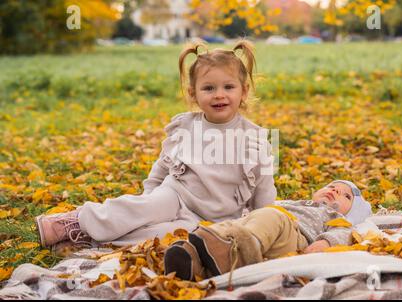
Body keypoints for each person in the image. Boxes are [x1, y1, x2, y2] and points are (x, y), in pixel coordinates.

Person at [34, 39, 277, 249]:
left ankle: (91, 240)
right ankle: (79, 221)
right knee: (147, 208)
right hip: (175, 195)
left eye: (228, 87)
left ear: (243, 91)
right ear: (193, 94)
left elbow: (264, 189)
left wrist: (262, 225)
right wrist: (149, 198)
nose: (219, 95)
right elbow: (163, 165)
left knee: (173, 238)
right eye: (209, 88)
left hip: (213, 218)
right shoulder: (186, 126)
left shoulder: (253, 139)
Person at [164, 180, 372, 282]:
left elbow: (344, 234)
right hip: (261, 233)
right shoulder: (290, 203)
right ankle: (194, 262)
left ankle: (243, 248)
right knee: (228, 226)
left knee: (272, 215)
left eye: (346, 196)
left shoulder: (336, 218)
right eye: (332, 186)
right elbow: (257, 210)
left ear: (351, 212)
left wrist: (325, 243)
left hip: (292, 237)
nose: (336, 190)